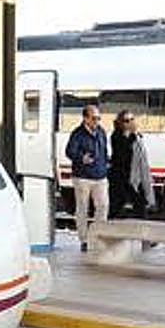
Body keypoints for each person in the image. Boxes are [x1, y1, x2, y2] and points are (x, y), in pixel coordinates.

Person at [65, 104, 109, 251]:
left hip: (100, 176)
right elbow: (69, 151)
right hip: (82, 177)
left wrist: (105, 166)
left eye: (98, 118)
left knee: (103, 206)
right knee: (83, 208)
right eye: (94, 118)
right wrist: (81, 158)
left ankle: (98, 235)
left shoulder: (101, 132)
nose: (97, 121)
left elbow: (104, 151)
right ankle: (84, 239)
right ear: (85, 118)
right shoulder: (77, 134)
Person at [109, 110, 153, 218]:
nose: (130, 123)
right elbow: (122, 151)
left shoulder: (136, 137)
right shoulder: (116, 136)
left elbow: (141, 156)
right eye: (126, 121)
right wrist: (133, 134)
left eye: (132, 119)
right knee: (116, 207)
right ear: (120, 123)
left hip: (133, 176)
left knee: (140, 205)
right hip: (120, 178)